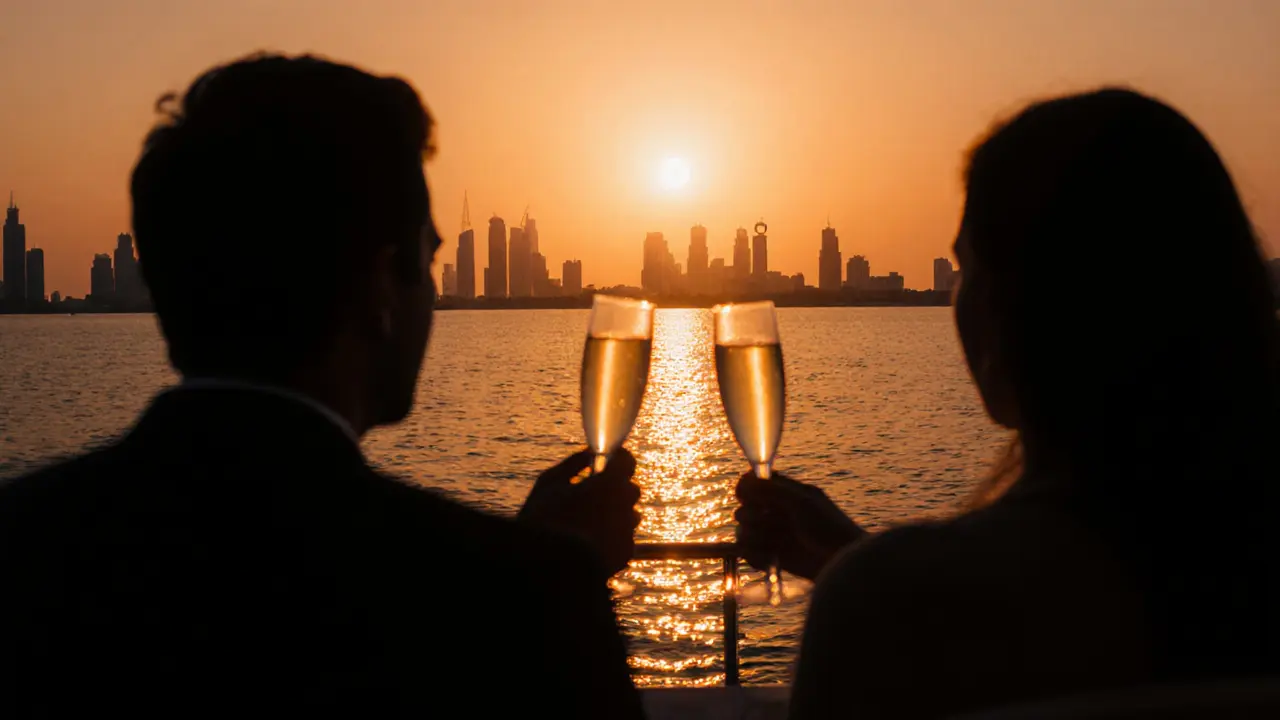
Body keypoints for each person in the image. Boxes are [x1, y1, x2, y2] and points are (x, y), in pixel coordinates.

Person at [0, 53, 645, 719]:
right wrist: (535, 579)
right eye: (428, 263)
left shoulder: (20, 545)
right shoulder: (514, 593)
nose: (433, 296)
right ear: (381, 287)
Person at [736, 88, 1280, 719]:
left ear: (1007, 306)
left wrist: (871, 580)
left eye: (965, 267)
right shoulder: (1240, 583)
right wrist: (852, 557)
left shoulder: (880, 605)